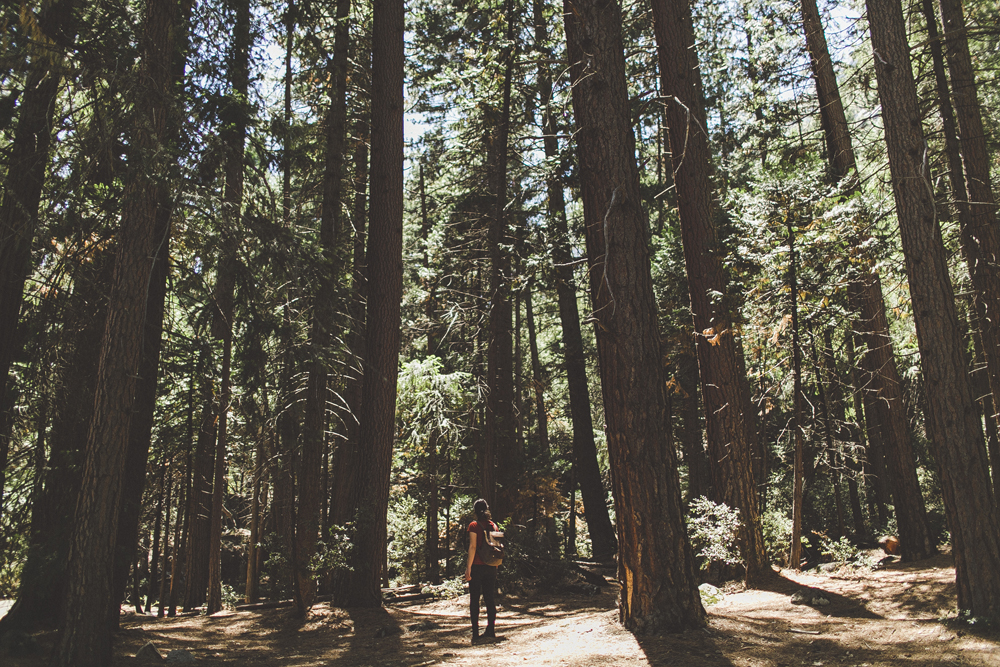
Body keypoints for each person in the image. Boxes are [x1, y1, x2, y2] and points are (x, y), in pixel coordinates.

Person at [465, 498, 499, 643]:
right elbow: (497, 547)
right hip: (491, 567)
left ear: (475, 510)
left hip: (477, 567)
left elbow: (473, 547)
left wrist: (468, 568)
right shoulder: (494, 525)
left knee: (475, 599)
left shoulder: (473, 526)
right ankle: (490, 629)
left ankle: (475, 633)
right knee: (489, 598)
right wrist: (496, 564)